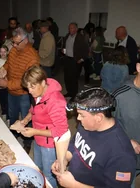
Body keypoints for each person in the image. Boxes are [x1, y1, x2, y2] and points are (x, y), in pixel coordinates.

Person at [52, 87, 136, 188]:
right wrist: (65, 158)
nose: (78, 118)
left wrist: (74, 185)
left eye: (82, 115)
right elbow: (75, 143)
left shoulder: (121, 154)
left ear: (98, 117)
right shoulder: (87, 125)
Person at [20, 65, 68, 187]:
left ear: (42, 82)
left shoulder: (56, 101)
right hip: (39, 139)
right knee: (38, 168)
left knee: (49, 175)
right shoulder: (38, 92)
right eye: (27, 87)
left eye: (32, 87)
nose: (29, 91)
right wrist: (26, 119)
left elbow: (61, 130)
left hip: (50, 144)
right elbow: (34, 109)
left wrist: (35, 132)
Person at [0, 27, 40, 154]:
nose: (13, 45)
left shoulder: (32, 57)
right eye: (13, 42)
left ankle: (27, 142)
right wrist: (2, 70)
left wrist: (7, 84)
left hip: (24, 94)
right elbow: (8, 64)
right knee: (12, 115)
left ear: (25, 40)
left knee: (26, 118)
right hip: (12, 92)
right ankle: (14, 136)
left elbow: (28, 81)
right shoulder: (14, 50)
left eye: (16, 43)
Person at [112, 59, 140, 188]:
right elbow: (104, 125)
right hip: (127, 158)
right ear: (138, 67)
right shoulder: (120, 95)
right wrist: (127, 140)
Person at [62, 22, 89, 100]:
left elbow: (86, 50)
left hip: (75, 60)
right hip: (67, 59)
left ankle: (74, 94)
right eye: (69, 28)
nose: (70, 29)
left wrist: (82, 59)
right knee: (66, 77)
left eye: (72, 28)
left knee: (73, 78)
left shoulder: (80, 37)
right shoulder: (67, 36)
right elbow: (64, 46)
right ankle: (69, 92)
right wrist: (63, 51)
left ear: (76, 29)